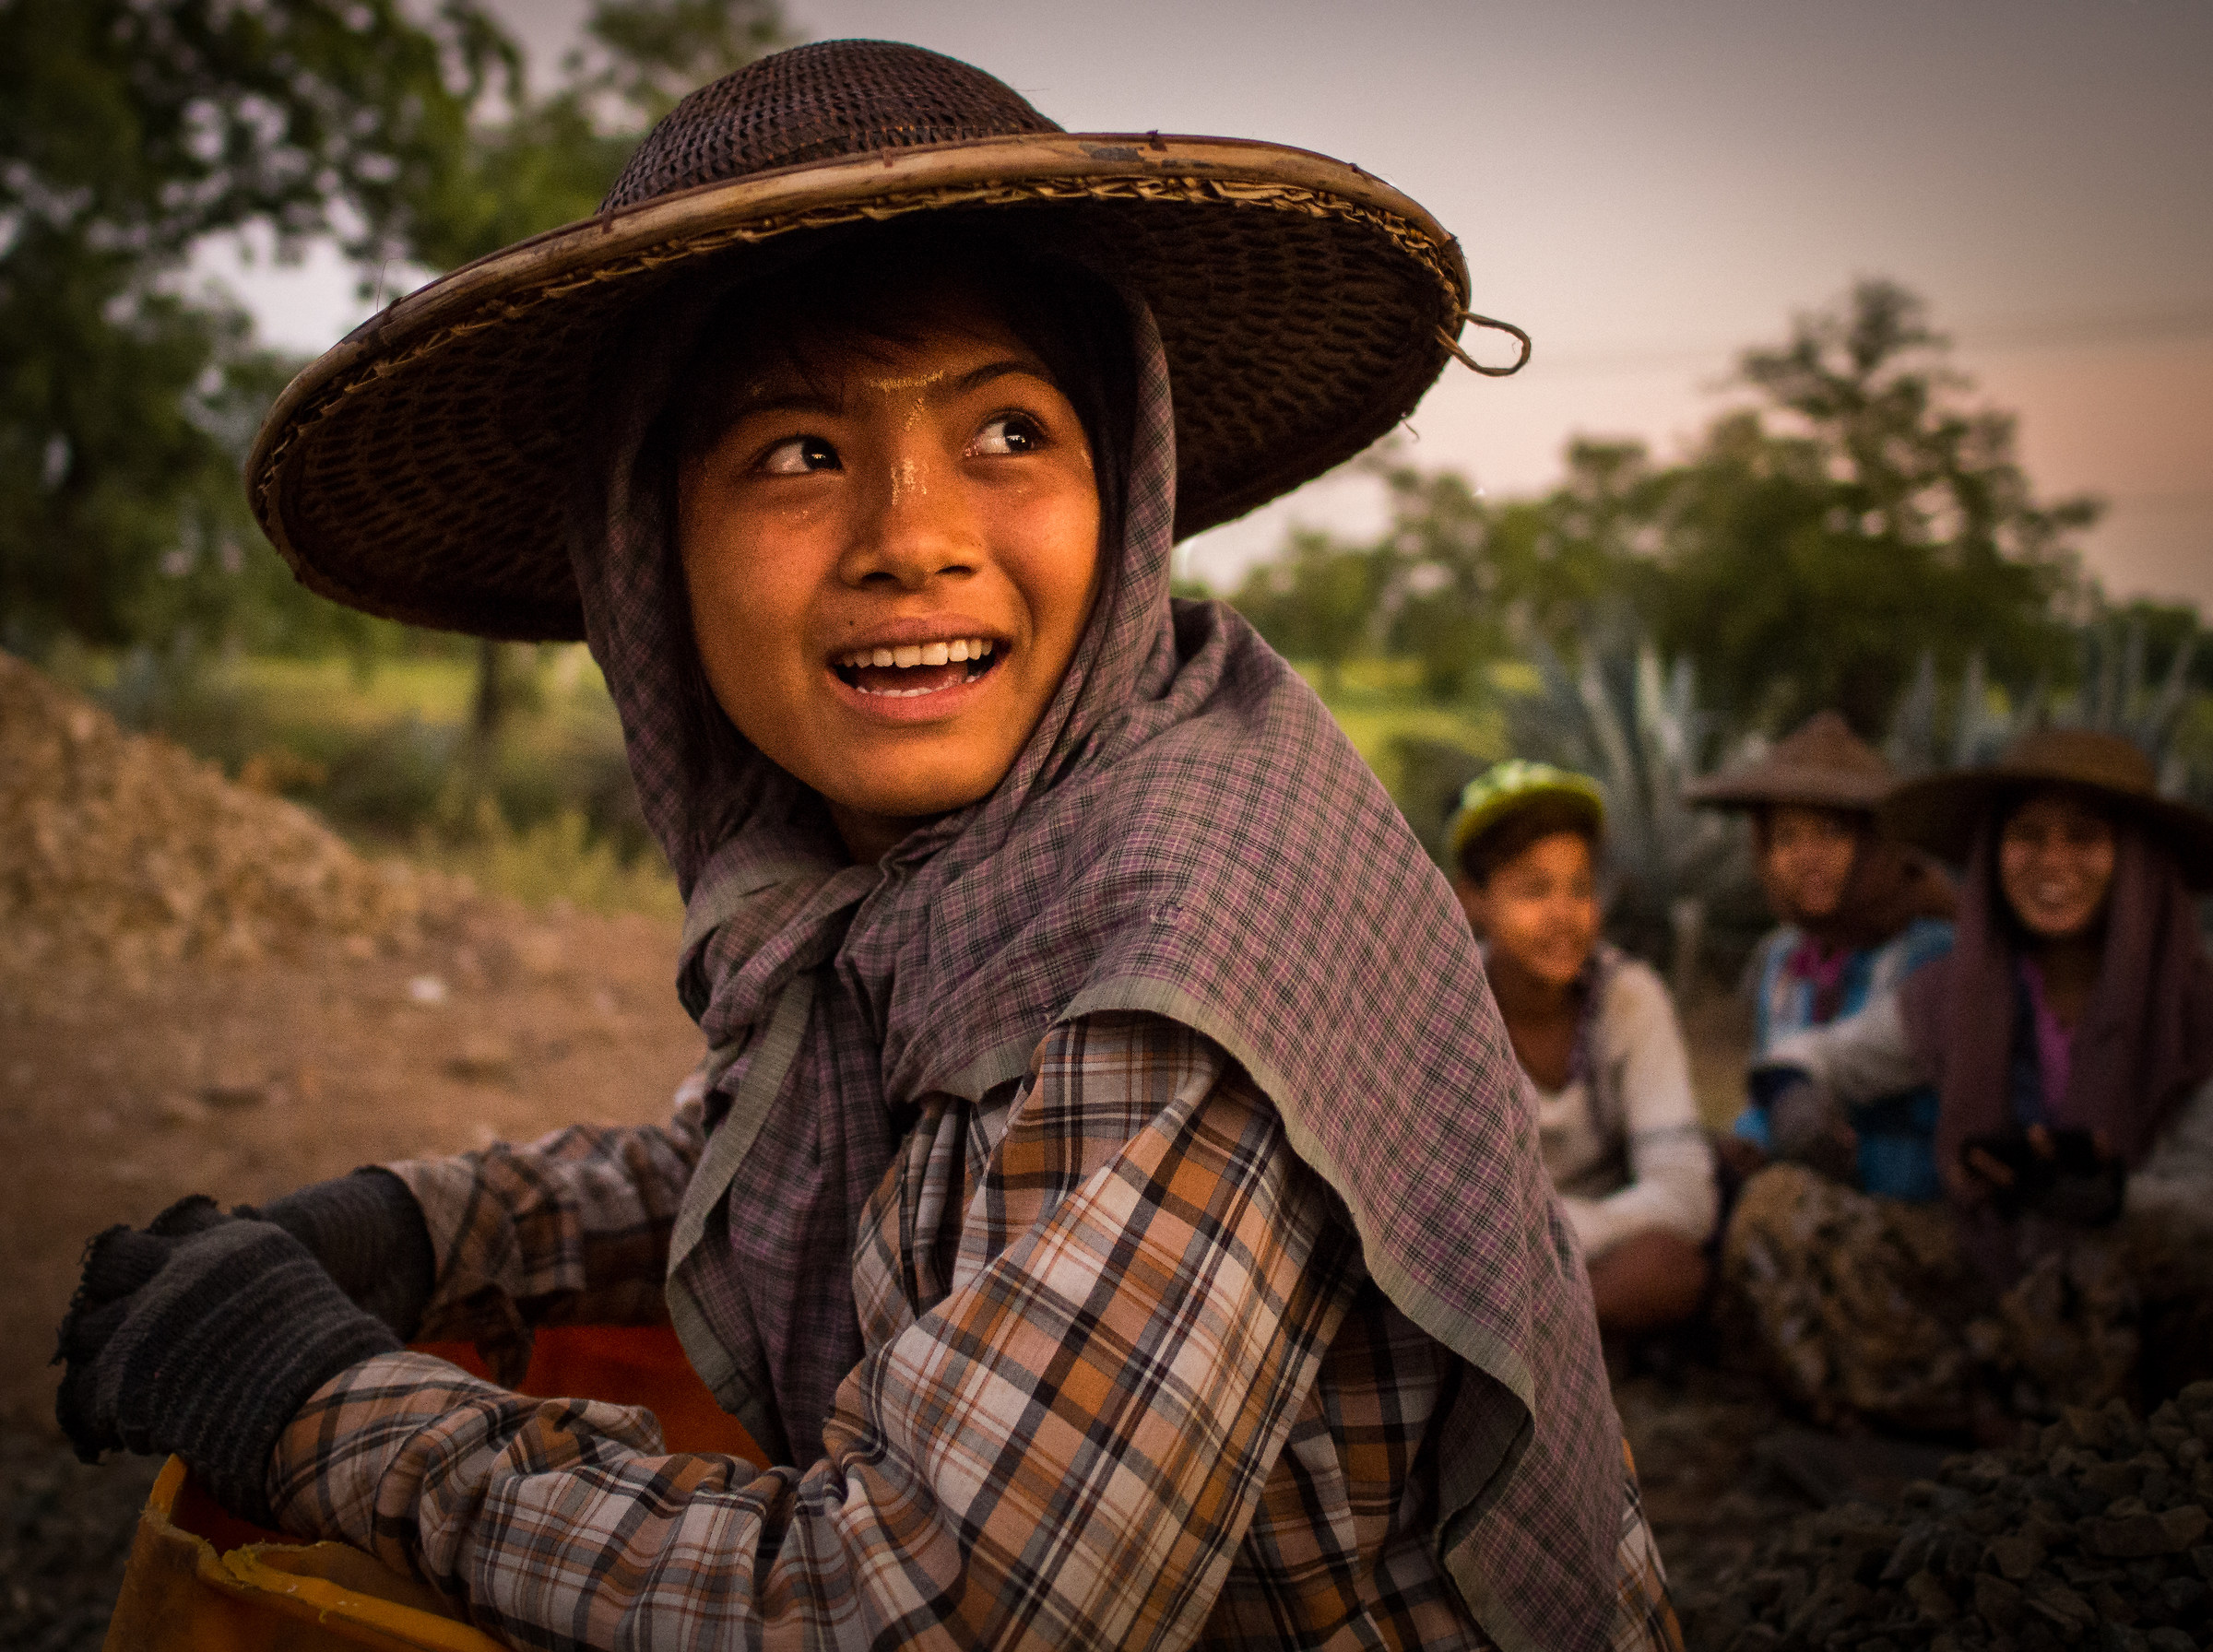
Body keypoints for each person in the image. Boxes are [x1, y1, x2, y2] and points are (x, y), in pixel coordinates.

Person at [53, 41, 1677, 1651]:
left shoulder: (1179, 959)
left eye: (1010, 432)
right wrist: (423, 1227)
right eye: (799, 454)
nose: (914, 535)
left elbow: (919, 1609)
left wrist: (324, 1408)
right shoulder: (944, 881)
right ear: (654, 548)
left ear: (1124, 487)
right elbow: (790, 1155)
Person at [1720, 727, 2213, 1428]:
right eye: (2028, 836)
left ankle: (2086, 1426)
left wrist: (2114, 1199)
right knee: (1777, 1210)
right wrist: (1796, 1099)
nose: (2052, 863)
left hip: (2135, 1281)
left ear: (2135, 859)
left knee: (2105, 1268)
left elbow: (2201, 1201)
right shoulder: (1955, 993)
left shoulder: (2194, 1009)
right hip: (1987, 1258)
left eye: (2083, 837)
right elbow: (1811, 1057)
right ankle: (1991, 1407)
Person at [1448, 761, 1718, 1335]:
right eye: (1533, 889)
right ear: (1472, 901)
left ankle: (1534, 1342)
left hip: (1594, 1249)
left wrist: (1559, 1237)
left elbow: (1686, 1193)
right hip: (1484, 1265)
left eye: (1579, 887)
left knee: (1668, 1268)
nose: (1563, 916)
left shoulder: (1630, 998)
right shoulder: (1444, 1012)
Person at [1685, 712, 1955, 1200]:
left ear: (1874, 842)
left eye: (1830, 835)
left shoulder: (1931, 953)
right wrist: (1750, 1142)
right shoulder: (1784, 958)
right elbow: (1771, 1092)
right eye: (1787, 838)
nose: (1807, 857)